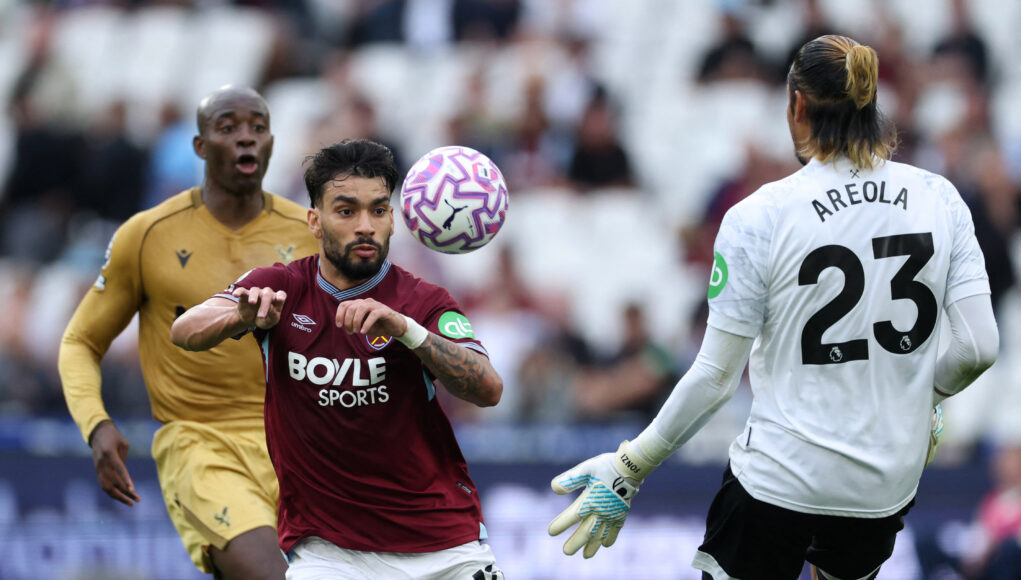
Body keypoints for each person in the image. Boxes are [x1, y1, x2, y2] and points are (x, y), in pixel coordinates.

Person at [547, 34, 999, 580]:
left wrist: (630, 466)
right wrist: (924, 399)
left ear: (797, 105)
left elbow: (715, 377)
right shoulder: (940, 198)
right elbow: (978, 346)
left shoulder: (759, 216)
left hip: (778, 482)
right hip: (881, 486)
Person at [169, 138, 506, 579]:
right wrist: (240, 315)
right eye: (346, 211)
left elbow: (487, 388)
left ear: (392, 219)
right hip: (329, 556)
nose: (365, 225)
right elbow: (185, 330)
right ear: (315, 220)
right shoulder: (282, 287)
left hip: (445, 548)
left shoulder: (423, 301)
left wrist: (408, 331)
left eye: (378, 210)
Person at [59, 85, 318, 579]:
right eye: (228, 128)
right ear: (200, 146)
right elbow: (80, 342)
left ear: (271, 142)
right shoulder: (149, 233)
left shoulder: (309, 233)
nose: (246, 139)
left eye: (258, 128)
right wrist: (96, 424)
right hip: (200, 443)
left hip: (302, 444)